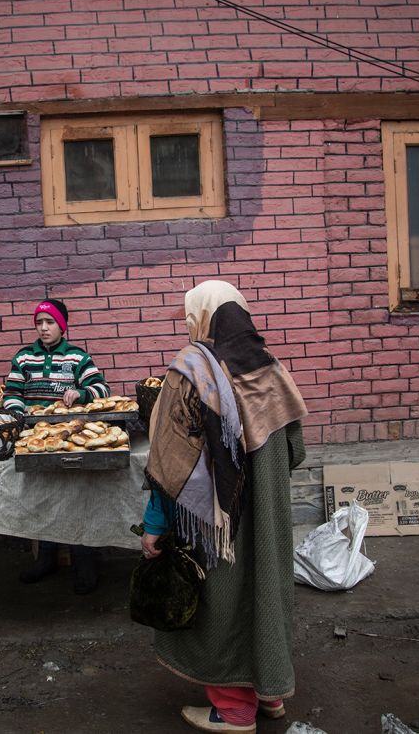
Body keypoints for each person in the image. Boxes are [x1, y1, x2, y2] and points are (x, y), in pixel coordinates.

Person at [140, 281, 307, 733]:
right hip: (267, 519)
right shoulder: (270, 368)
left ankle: (235, 711)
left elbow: (169, 465)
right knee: (265, 595)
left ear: (203, 317)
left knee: (224, 602)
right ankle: (269, 696)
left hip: (218, 522)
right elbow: (296, 451)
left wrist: (153, 526)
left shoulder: (189, 372)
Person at [4, 299, 110, 594]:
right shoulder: (24, 358)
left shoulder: (77, 357)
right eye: (39, 323)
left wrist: (80, 392)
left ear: (62, 326)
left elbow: (102, 388)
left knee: (76, 497)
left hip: (69, 438)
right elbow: (11, 393)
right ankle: (46, 557)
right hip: (35, 439)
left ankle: (85, 560)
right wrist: (21, 414)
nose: (44, 328)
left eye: (50, 322)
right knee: (44, 498)